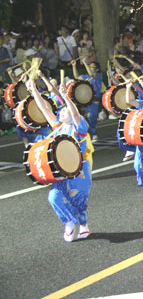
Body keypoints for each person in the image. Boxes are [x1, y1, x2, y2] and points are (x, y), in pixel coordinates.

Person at [27, 76, 93, 242]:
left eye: (65, 111)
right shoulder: (58, 128)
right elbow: (44, 109)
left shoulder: (79, 128)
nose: (61, 113)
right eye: (61, 111)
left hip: (79, 169)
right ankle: (69, 221)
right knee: (54, 197)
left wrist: (65, 97)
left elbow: (76, 113)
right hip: (62, 170)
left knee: (78, 199)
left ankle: (84, 225)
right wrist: (33, 89)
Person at [72, 59, 102, 141]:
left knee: (92, 118)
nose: (90, 68)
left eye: (92, 67)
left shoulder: (98, 76)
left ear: (97, 69)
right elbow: (77, 76)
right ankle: (87, 135)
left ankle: (94, 134)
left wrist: (85, 63)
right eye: (90, 66)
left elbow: (92, 75)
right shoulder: (86, 77)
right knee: (85, 119)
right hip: (85, 101)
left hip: (94, 101)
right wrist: (74, 66)